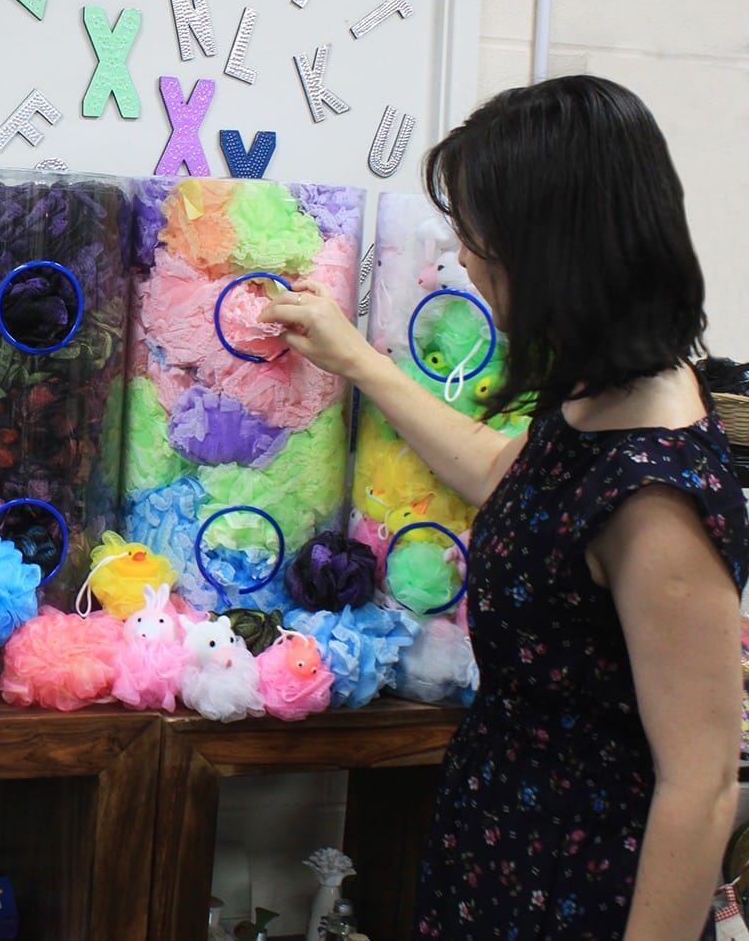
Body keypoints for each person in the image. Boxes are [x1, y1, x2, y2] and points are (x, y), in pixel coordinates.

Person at [262, 75, 749, 939]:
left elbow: (700, 785)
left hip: (578, 890)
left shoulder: (656, 495)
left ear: (551, 247)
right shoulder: (604, 392)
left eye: (480, 235)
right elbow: (502, 471)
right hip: (502, 841)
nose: (467, 258)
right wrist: (360, 362)